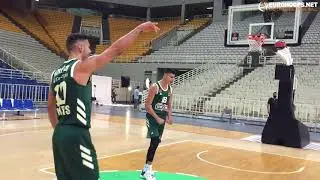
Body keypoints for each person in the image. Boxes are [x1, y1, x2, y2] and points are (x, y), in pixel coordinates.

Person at [47, 22, 160, 180]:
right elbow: (115, 50)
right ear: (80, 48)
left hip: (59, 134)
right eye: (88, 47)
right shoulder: (80, 66)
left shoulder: (55, 73)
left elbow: (50, 107)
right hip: (77, 133)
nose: (91, 51)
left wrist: (60, 130)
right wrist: (139, 28)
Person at [140, 68, 176, 180]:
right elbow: (147, 106)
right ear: (165, 75)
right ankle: (148, 170)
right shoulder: (155, 87)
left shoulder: (170, 89)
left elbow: (169, 105)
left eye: (174, 77)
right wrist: (156, 118)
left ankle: (146, 169)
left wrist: (169, 117)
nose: (173, 79)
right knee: (155, 140)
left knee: (155, 143)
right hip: (152, 118)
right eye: (171, 77)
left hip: (162, 119)